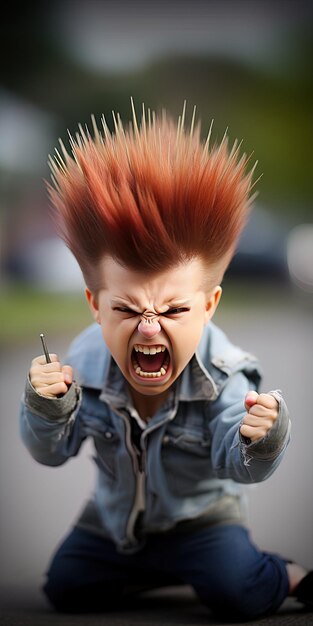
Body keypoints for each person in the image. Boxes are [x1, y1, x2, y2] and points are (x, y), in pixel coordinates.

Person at [20, 102, 312, 621]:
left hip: (200, 522)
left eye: (173, 310)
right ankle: (155, 569)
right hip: (112, 524)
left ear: (209, 305)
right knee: (66, 589)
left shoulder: (225, 375)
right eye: (127, 309)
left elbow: (238, 466)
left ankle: (286, 575)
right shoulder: (82, 366)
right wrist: (47, 408)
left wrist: (262, 436)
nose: (150, 328)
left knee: (237, 593)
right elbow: (53, 454)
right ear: (94, 305)